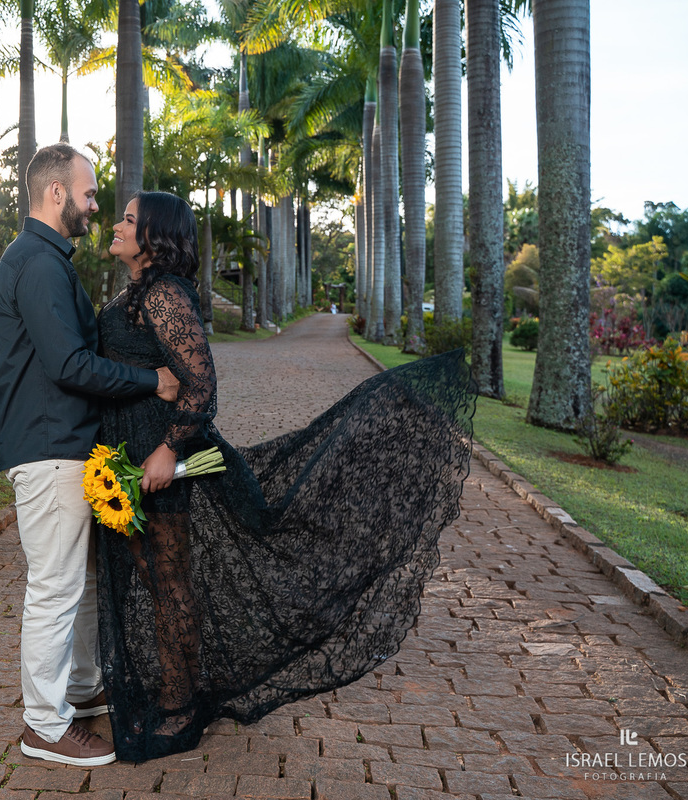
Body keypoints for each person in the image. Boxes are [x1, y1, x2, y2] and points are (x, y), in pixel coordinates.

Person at [95, 191, 475, 762]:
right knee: (151, 578)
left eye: (128, 219)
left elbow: (202, 387)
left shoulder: (167, 295)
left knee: (169, 583)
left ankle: (180, 708)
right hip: (125, 459)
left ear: (152, 237)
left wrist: (167, 451)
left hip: (156, 465)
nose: (117, 225)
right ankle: (177, 689)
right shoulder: (134, 293)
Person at [0, 144, 180, 767]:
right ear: (56, 195)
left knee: (83, 578)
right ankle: (44, 725)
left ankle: (79, 687)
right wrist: (153, 381)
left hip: (65, 445)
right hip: (49, 448)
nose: (97, 206)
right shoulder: (38, 265)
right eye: (90, 194)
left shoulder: (46, 260)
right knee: (55, 586)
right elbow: (68, 364)